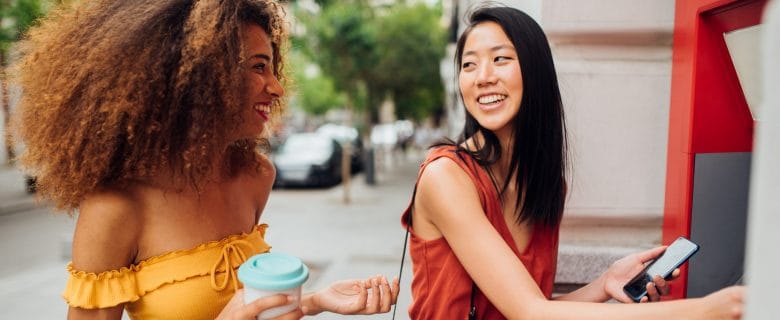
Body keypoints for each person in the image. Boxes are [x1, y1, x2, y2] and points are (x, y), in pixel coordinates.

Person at [11, 0, 398, 319]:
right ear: (199, 77)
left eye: (273, 68)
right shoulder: (116, 207)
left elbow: (240, 299)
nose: (277, 87)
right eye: (258, 67)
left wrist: (314, 299)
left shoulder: (255, 175)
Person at [401, 5, 745, 320]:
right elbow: (529, 312)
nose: (482, 77)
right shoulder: (445, 176)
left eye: (500, 59)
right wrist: (704, 311)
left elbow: (523, 307)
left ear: (535, 70)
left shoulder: (545, 185)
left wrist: (605, 283)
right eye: (469, 64)